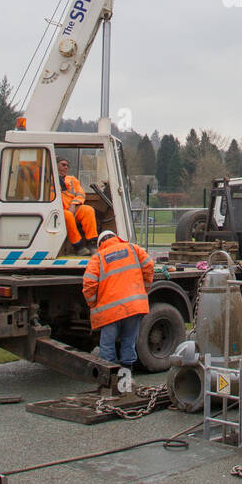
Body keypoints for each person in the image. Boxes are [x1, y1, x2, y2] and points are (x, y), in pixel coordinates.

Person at [82, 228, 154, 375]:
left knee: (107, 346)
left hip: (110, 311)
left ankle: (110, 378)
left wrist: (93, 303)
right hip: (134, 307)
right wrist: (144, 289)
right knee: (129, 341)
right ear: (116, 238)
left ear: (100, 243)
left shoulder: (98, 258)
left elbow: (89, 284)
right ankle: (126, 377)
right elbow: (149, 265)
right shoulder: (133, 249)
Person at [57, 157, 98, 253]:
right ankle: (78, 246)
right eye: (63, 164)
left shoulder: (72, 180)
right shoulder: (47, 178)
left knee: (88, 210)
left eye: (67, 165)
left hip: (72, 208)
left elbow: (81, 194)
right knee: (67, 215)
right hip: (56, 212)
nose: (66, 167)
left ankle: (92, 242)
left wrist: (74, 204)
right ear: (56, 165)